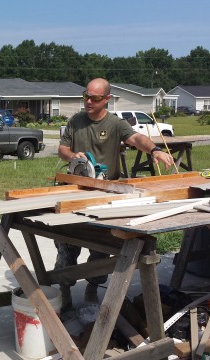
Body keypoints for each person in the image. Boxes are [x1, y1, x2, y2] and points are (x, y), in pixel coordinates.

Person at [55, 78, 174, 310]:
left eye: (95, 98)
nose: (88, 101)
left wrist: (155, 150)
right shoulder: (75, 121)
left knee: (100, 248)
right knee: (67, 245)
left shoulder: (115, 124)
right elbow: (62, 148)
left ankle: (92, 288)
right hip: (76, 188)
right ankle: (63, 291)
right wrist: (72, 157)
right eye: (86, 96)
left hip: (106, 193)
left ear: (106, 99)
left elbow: (136, 138)